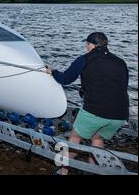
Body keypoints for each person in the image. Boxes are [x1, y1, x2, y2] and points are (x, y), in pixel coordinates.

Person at [47, 32, 129, 175]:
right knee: (97, 138)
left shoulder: (85, 59)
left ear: (90, 45)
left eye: (86, 45)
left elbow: (65, 79)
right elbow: (119, 86)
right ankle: (95, 171)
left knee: (75, 138)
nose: (86, 48)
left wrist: (53, 71)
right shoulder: (120, 62)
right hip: (120, 114)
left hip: (96, 111)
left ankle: (63, 170)